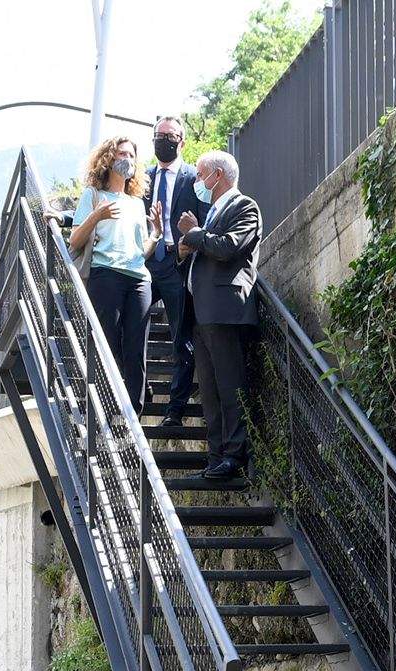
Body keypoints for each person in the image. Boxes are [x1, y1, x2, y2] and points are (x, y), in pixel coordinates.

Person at [175, 150, 261, 484]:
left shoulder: (244, 206)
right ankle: (215, 457)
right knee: (209, 391)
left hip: (225, 311)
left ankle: (233, 456)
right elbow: (204, 254)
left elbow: (228, 247)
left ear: (218, 175)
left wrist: (194, 234)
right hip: (201, 313)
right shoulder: (211, 213)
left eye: (200, 175)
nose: (197, 181)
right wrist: (184, 251)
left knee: (229, 385)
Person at [68, 135, 155, 409]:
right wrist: (97, 215)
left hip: (138, 278)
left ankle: (133, 414)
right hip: (106, 274)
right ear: (108, 158)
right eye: (121, 154)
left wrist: (156, 235)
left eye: (131, 155)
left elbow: (141, 250)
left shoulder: (137, 203)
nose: (127, 159)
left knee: (136, 348)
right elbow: (75, 240)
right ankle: (104, 407)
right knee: (107, 343)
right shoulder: (93, 195)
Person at [141, 116, 198, 436]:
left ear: (182, 141)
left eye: (170, 136)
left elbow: (205, 218)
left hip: (178, 263)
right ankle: (139, 386)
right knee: (129, 326)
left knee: (181, 339)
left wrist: (190, 243)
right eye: (158, 135)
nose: (163, 140)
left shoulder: (194, 177)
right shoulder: (142, 179)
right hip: (146, 263)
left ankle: (175, 410)